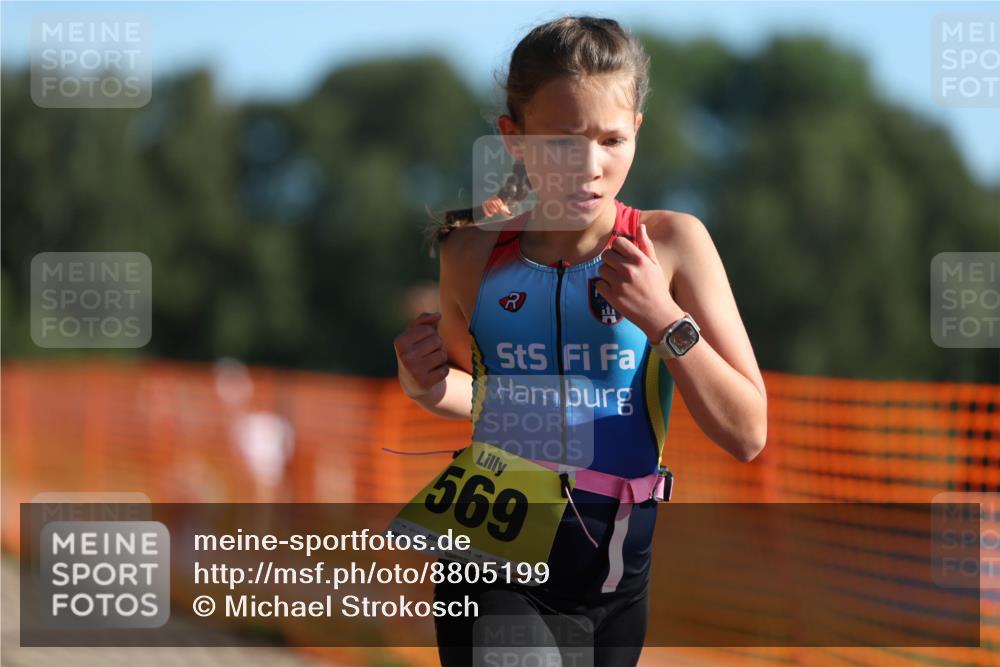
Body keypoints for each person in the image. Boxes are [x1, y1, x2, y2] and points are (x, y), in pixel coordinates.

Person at [393, 15, 767, 666]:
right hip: (492, 545)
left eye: (612, 139)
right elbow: (475, 395)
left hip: (617, 563)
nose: (592, 166)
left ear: (637, 133)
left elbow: (747, 432)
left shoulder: (672, 244)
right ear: (515, 139)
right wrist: (421, 383)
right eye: (565, 142)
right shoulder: (472, 251)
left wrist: (663, 321)